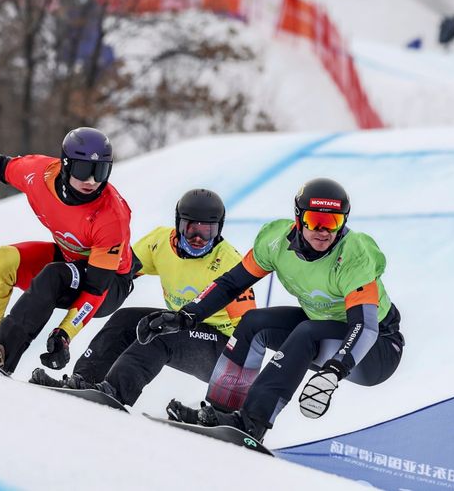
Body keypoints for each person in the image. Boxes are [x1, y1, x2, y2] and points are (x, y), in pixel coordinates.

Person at [148, 178, 404, 441]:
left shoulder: (354, 254)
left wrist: (336, 369)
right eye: (315, 220)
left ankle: (252, 424)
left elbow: (366, 326)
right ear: (298, 218)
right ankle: (220, 413)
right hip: (323, 327)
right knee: (255, 322)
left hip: (376, 349)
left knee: (308, 332)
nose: (323, 231)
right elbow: (231, 284)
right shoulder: (275, 242)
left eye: (333, 222)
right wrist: (188, 315)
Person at [0, 127, 139, 375]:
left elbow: (96, 290)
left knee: (55, 275)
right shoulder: (40, 174)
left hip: (109, 284)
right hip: (70, 259)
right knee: (5, 258)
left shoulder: (111, 217)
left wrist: (64, 333)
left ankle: (0, 354)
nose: (92, 181)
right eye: (84, 170)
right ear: (65, 165)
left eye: (100, 171)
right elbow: (1, 165)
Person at [30, 188, 257, 408]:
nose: (197, 238)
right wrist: (75, 297)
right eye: (190, 229)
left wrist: (243, 395)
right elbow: (117, 276)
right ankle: (84, 379)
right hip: (184, 327)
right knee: (125, 319)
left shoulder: (228, 263)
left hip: (223, 352)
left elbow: (250, 330)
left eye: (207, 231)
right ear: (178, 224)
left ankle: (116, 392)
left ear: (219, 230)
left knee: (161, 334)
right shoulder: (158, 243)